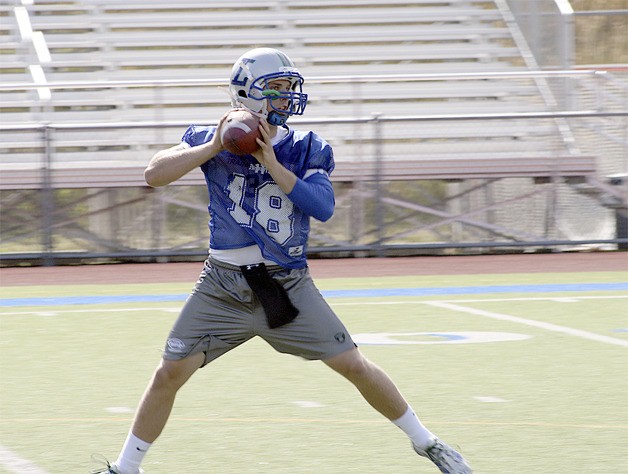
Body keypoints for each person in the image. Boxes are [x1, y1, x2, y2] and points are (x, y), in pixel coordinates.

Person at [92, 47, 472, 474]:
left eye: (290, 87)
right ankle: (125, 468)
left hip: (286, 284)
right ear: (245, 95)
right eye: (276, 88)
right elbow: (154, 174)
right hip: (222, 285)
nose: (287, 97)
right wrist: (216, 145)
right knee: (168, 374)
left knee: (352, 363)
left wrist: (271, 163)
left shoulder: (307, 147)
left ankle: (428, 443)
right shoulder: (209, 137)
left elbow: (322, 207)